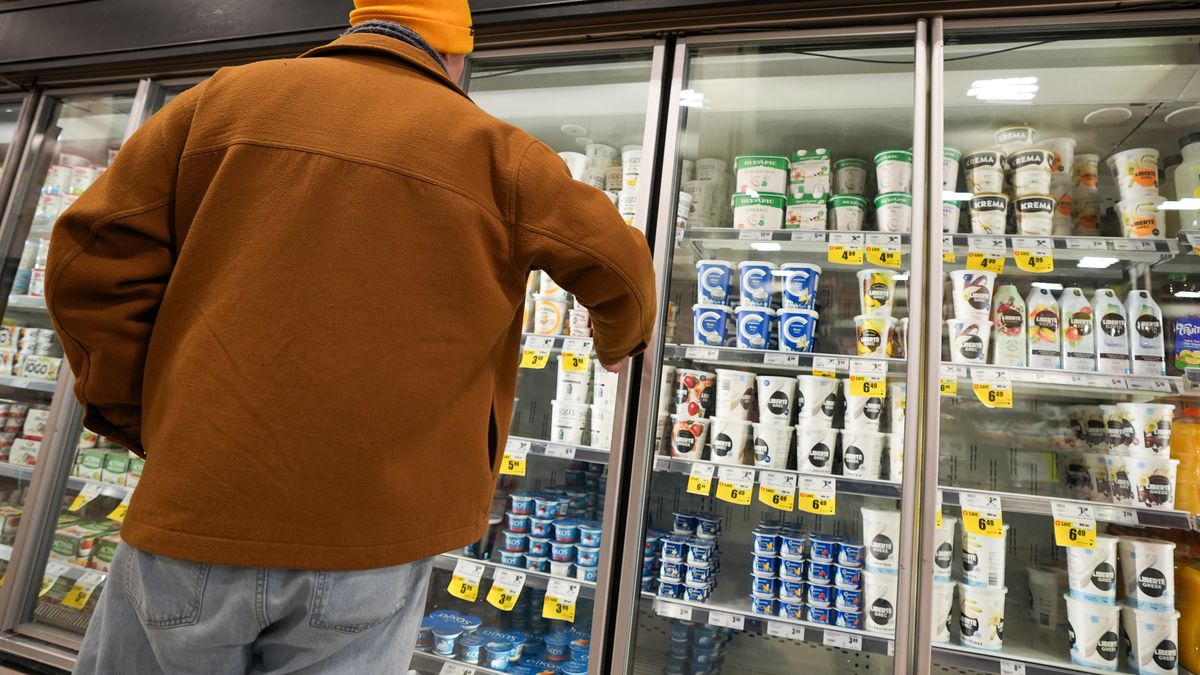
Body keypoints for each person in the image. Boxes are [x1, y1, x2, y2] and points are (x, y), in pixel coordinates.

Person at [46, 0, 656, 671]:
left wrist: (147, 413)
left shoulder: (219, 102)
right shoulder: (497, 151)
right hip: (378, 532)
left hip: (200, 504)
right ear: (456, 56)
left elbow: (87, 259)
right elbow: (622, 272)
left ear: (357, 26)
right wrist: (618, 342)